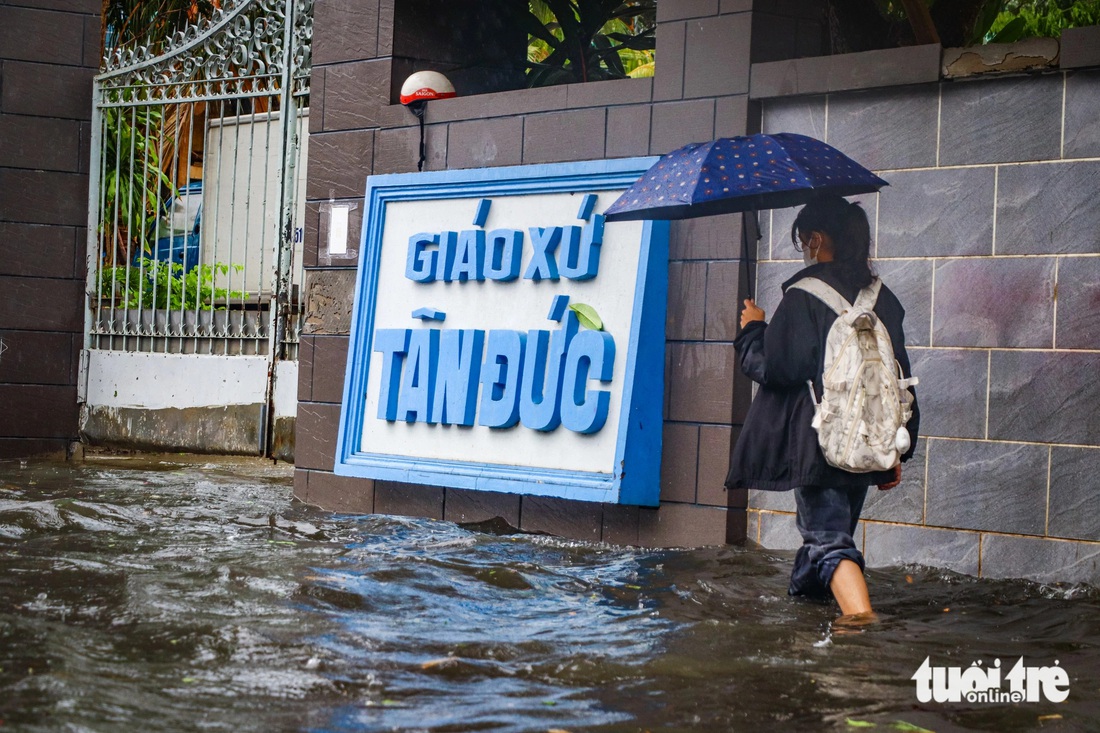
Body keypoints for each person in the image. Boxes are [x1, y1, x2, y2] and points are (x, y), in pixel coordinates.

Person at [725, 194, 919, 623]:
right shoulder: (883, 299)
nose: (804, 251)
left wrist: (753, 329)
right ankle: (806, 609)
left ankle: (860, 621)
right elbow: (900, 373)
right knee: (824, 541)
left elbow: (776, 368)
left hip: (818, 442)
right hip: (866, 440)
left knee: (827, 538)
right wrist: (898, 448)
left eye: (802, 242)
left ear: (816, 238)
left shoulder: (804, 296)